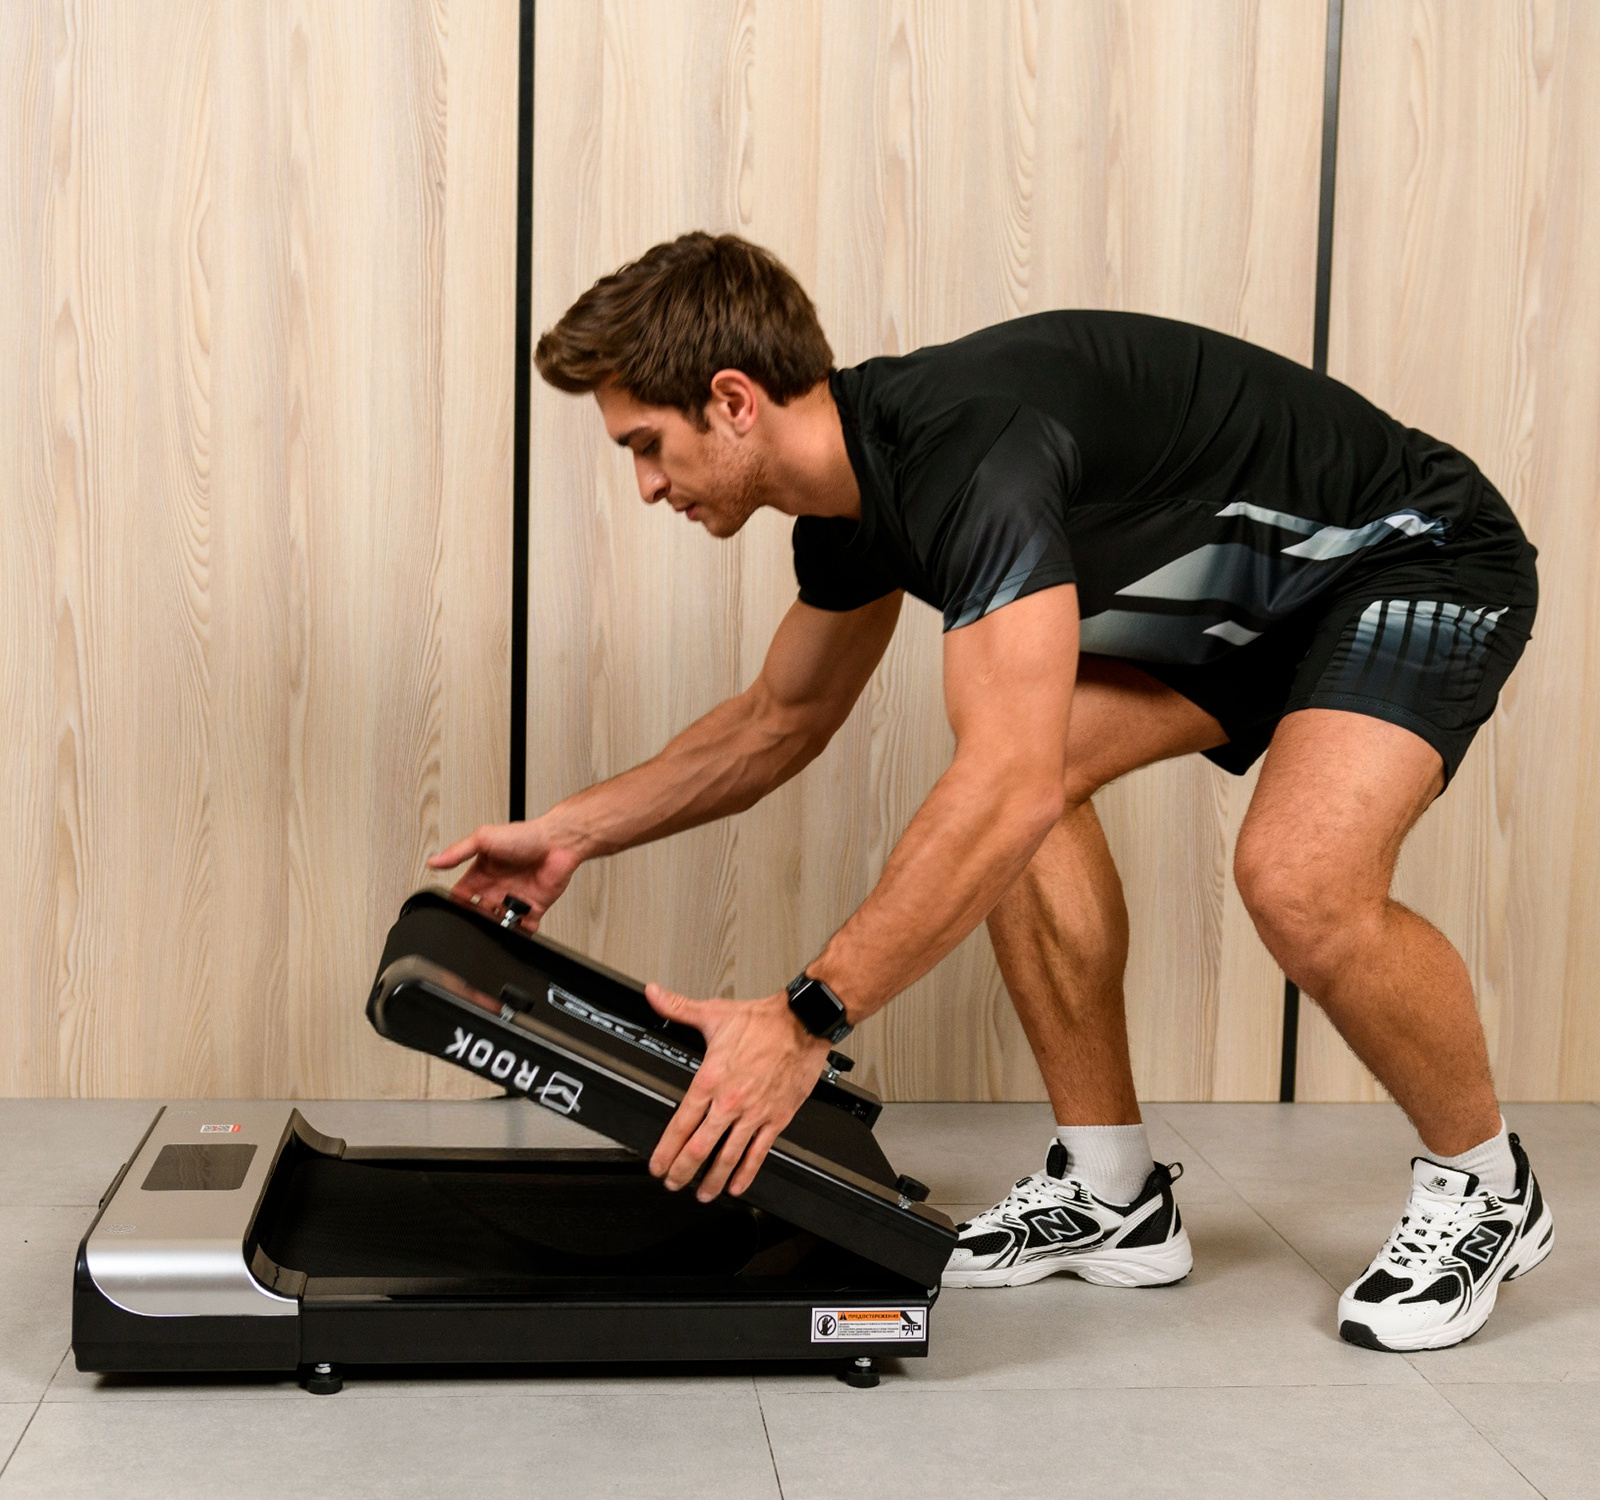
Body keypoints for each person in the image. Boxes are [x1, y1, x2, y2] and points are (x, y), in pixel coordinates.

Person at [432, 232, 1552, 1352]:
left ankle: (1488, 1186)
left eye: (645, 445)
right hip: (1256, 601)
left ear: (732, 401)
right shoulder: (855, 505)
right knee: (1023, 776)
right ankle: (1114, 1191)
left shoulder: (973, 456)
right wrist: (568, 833)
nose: (643, 485)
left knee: (1291, 878)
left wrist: (805, 1020)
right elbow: (778, 721)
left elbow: (998, 790)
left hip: (1413, 555)